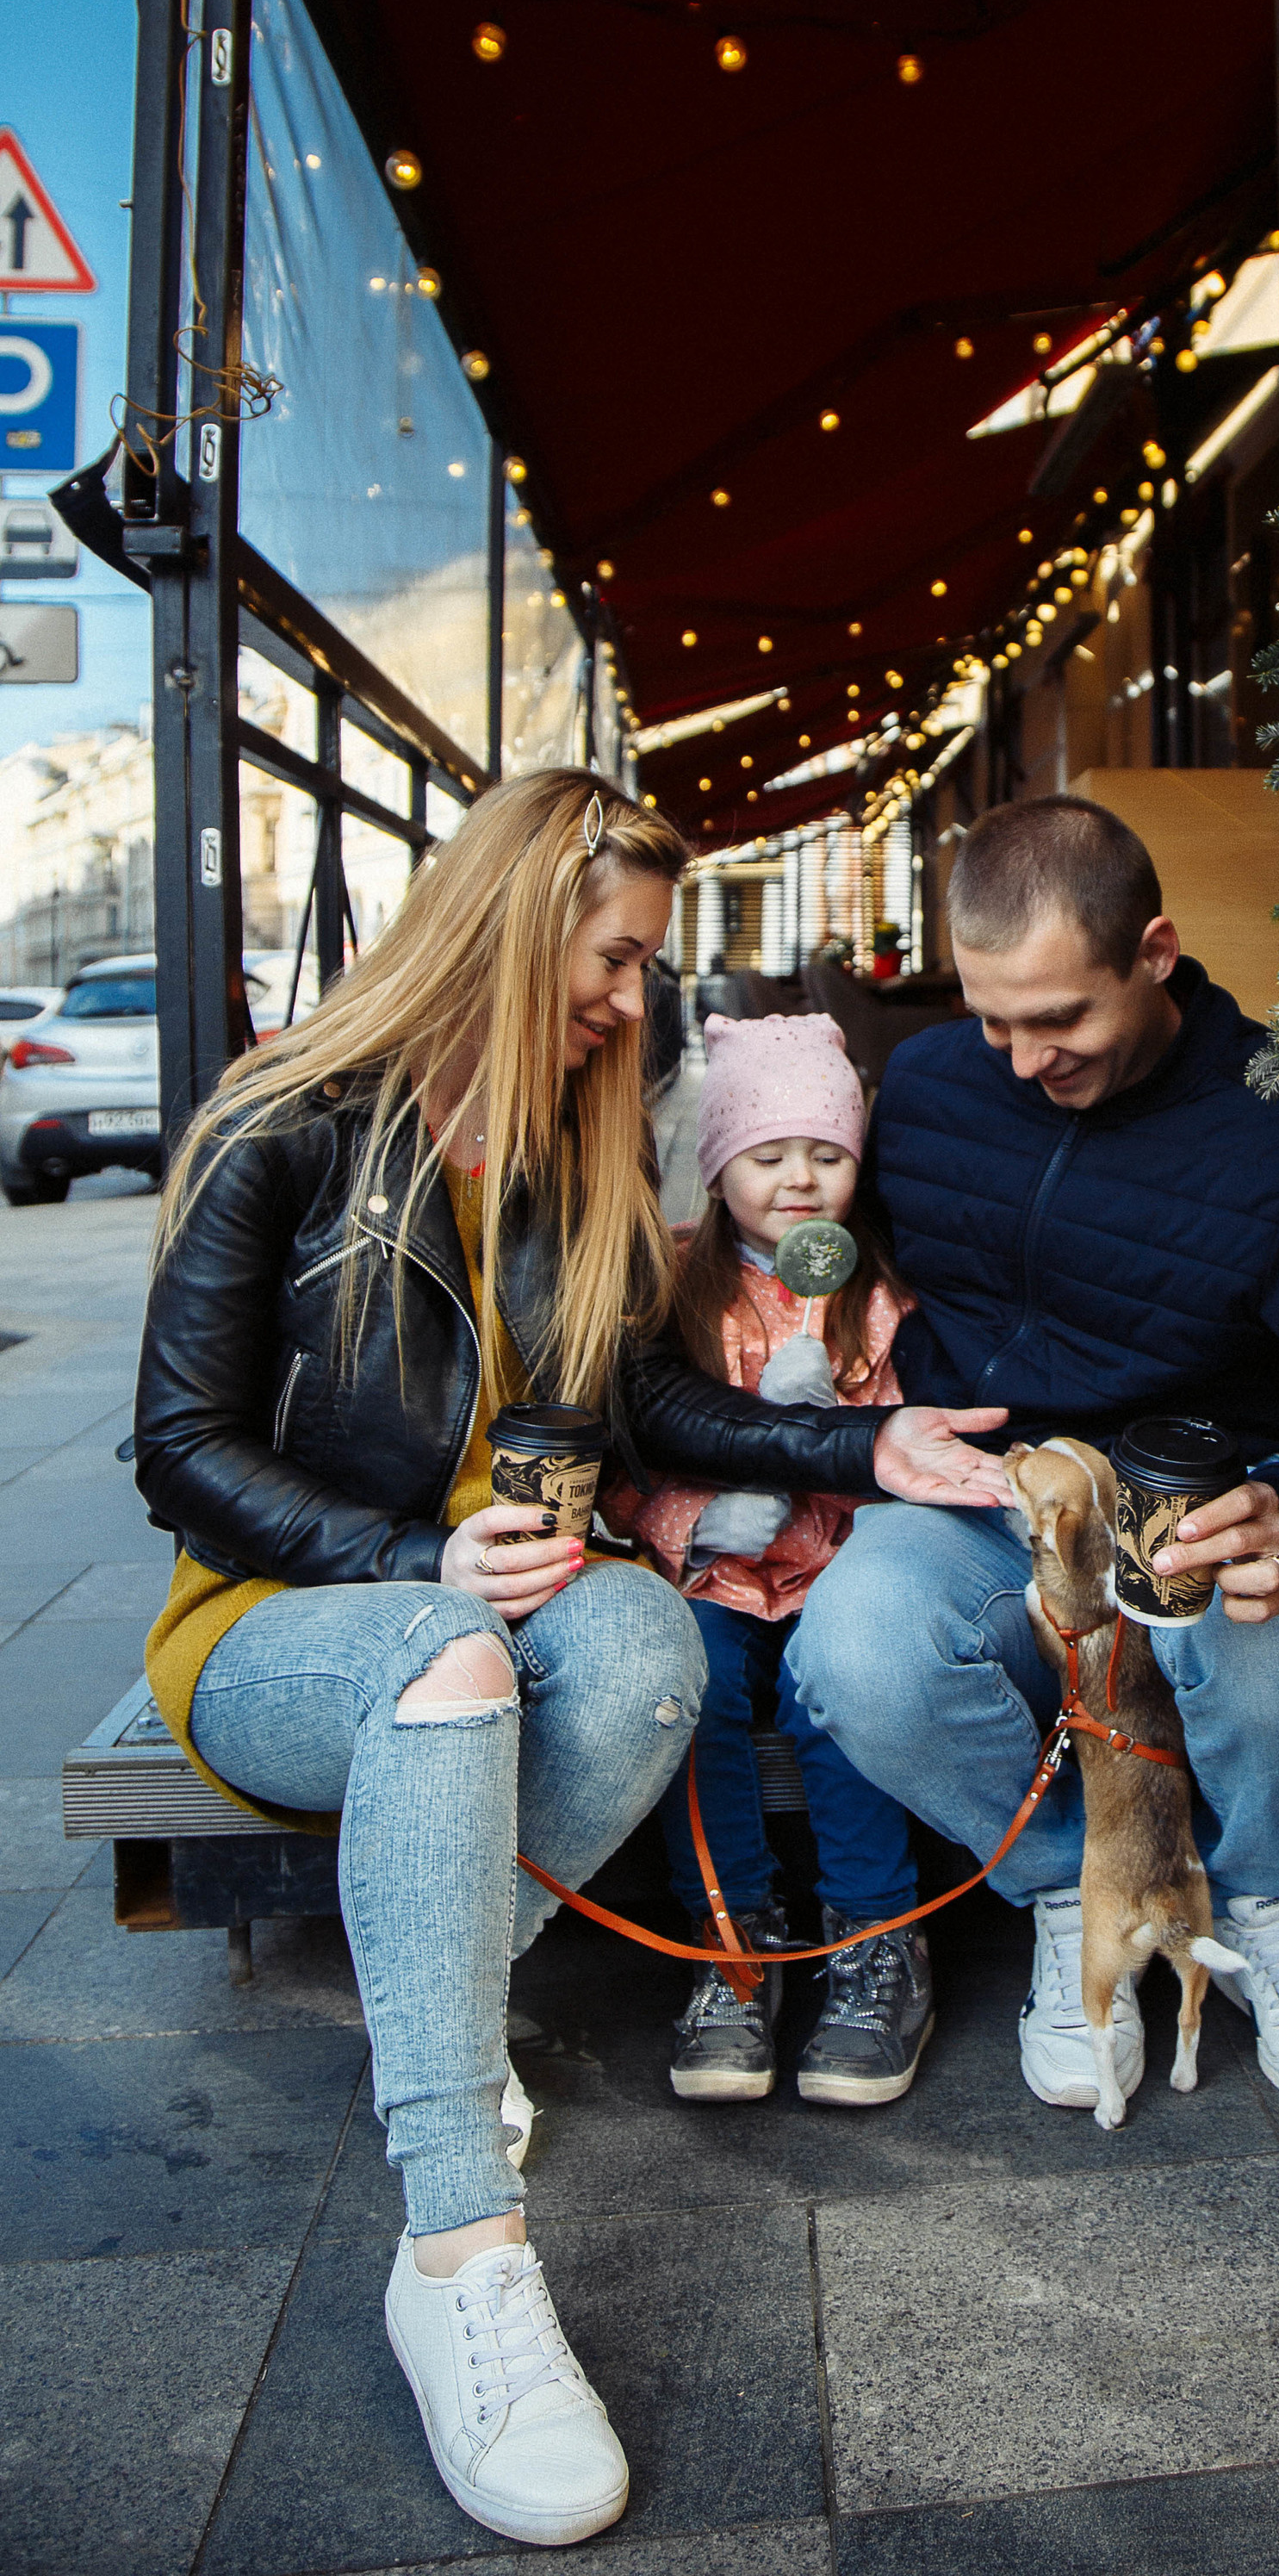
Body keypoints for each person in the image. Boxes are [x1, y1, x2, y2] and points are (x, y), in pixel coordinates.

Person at [133, 771, 1007, 2552]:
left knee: (654, 1650)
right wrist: (405, 1558)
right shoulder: (283, 1119)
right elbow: (178, 1447)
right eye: (614, 956)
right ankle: (460, 2246)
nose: (633, 999)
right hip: (282, 1618)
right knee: (451, 1660)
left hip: (523, 1591)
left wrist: (864, 1447)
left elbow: (649, 1407)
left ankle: (438, 2026)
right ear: (514, 922)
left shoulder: (573, 1146)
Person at [790, 794, 1279, 2119]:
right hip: (992, 1498)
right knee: (852, 1647)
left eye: (1062, 1020)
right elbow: (823, 1263)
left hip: (1193, 1514)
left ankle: (1264, 1894)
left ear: (1155, 951)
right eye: (993, 1019)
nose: (1024, 1058)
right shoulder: (926, 1088)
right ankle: (1067, 1890)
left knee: (1275, 1648)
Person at [610, 1011, 934, 2109]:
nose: (800, 1181)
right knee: (691, 1684)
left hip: (838, 1564)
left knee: (832, 1696)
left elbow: (908, 1451)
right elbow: (626, 1456)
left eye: (828, 1155)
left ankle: (876, 1934)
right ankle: (729, 1931)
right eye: (768, 1156)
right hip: (720, 1573)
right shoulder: (671, 1291)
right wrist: (691, 1521)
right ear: (718, 1167)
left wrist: (842, 1413)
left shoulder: (880, 1297)